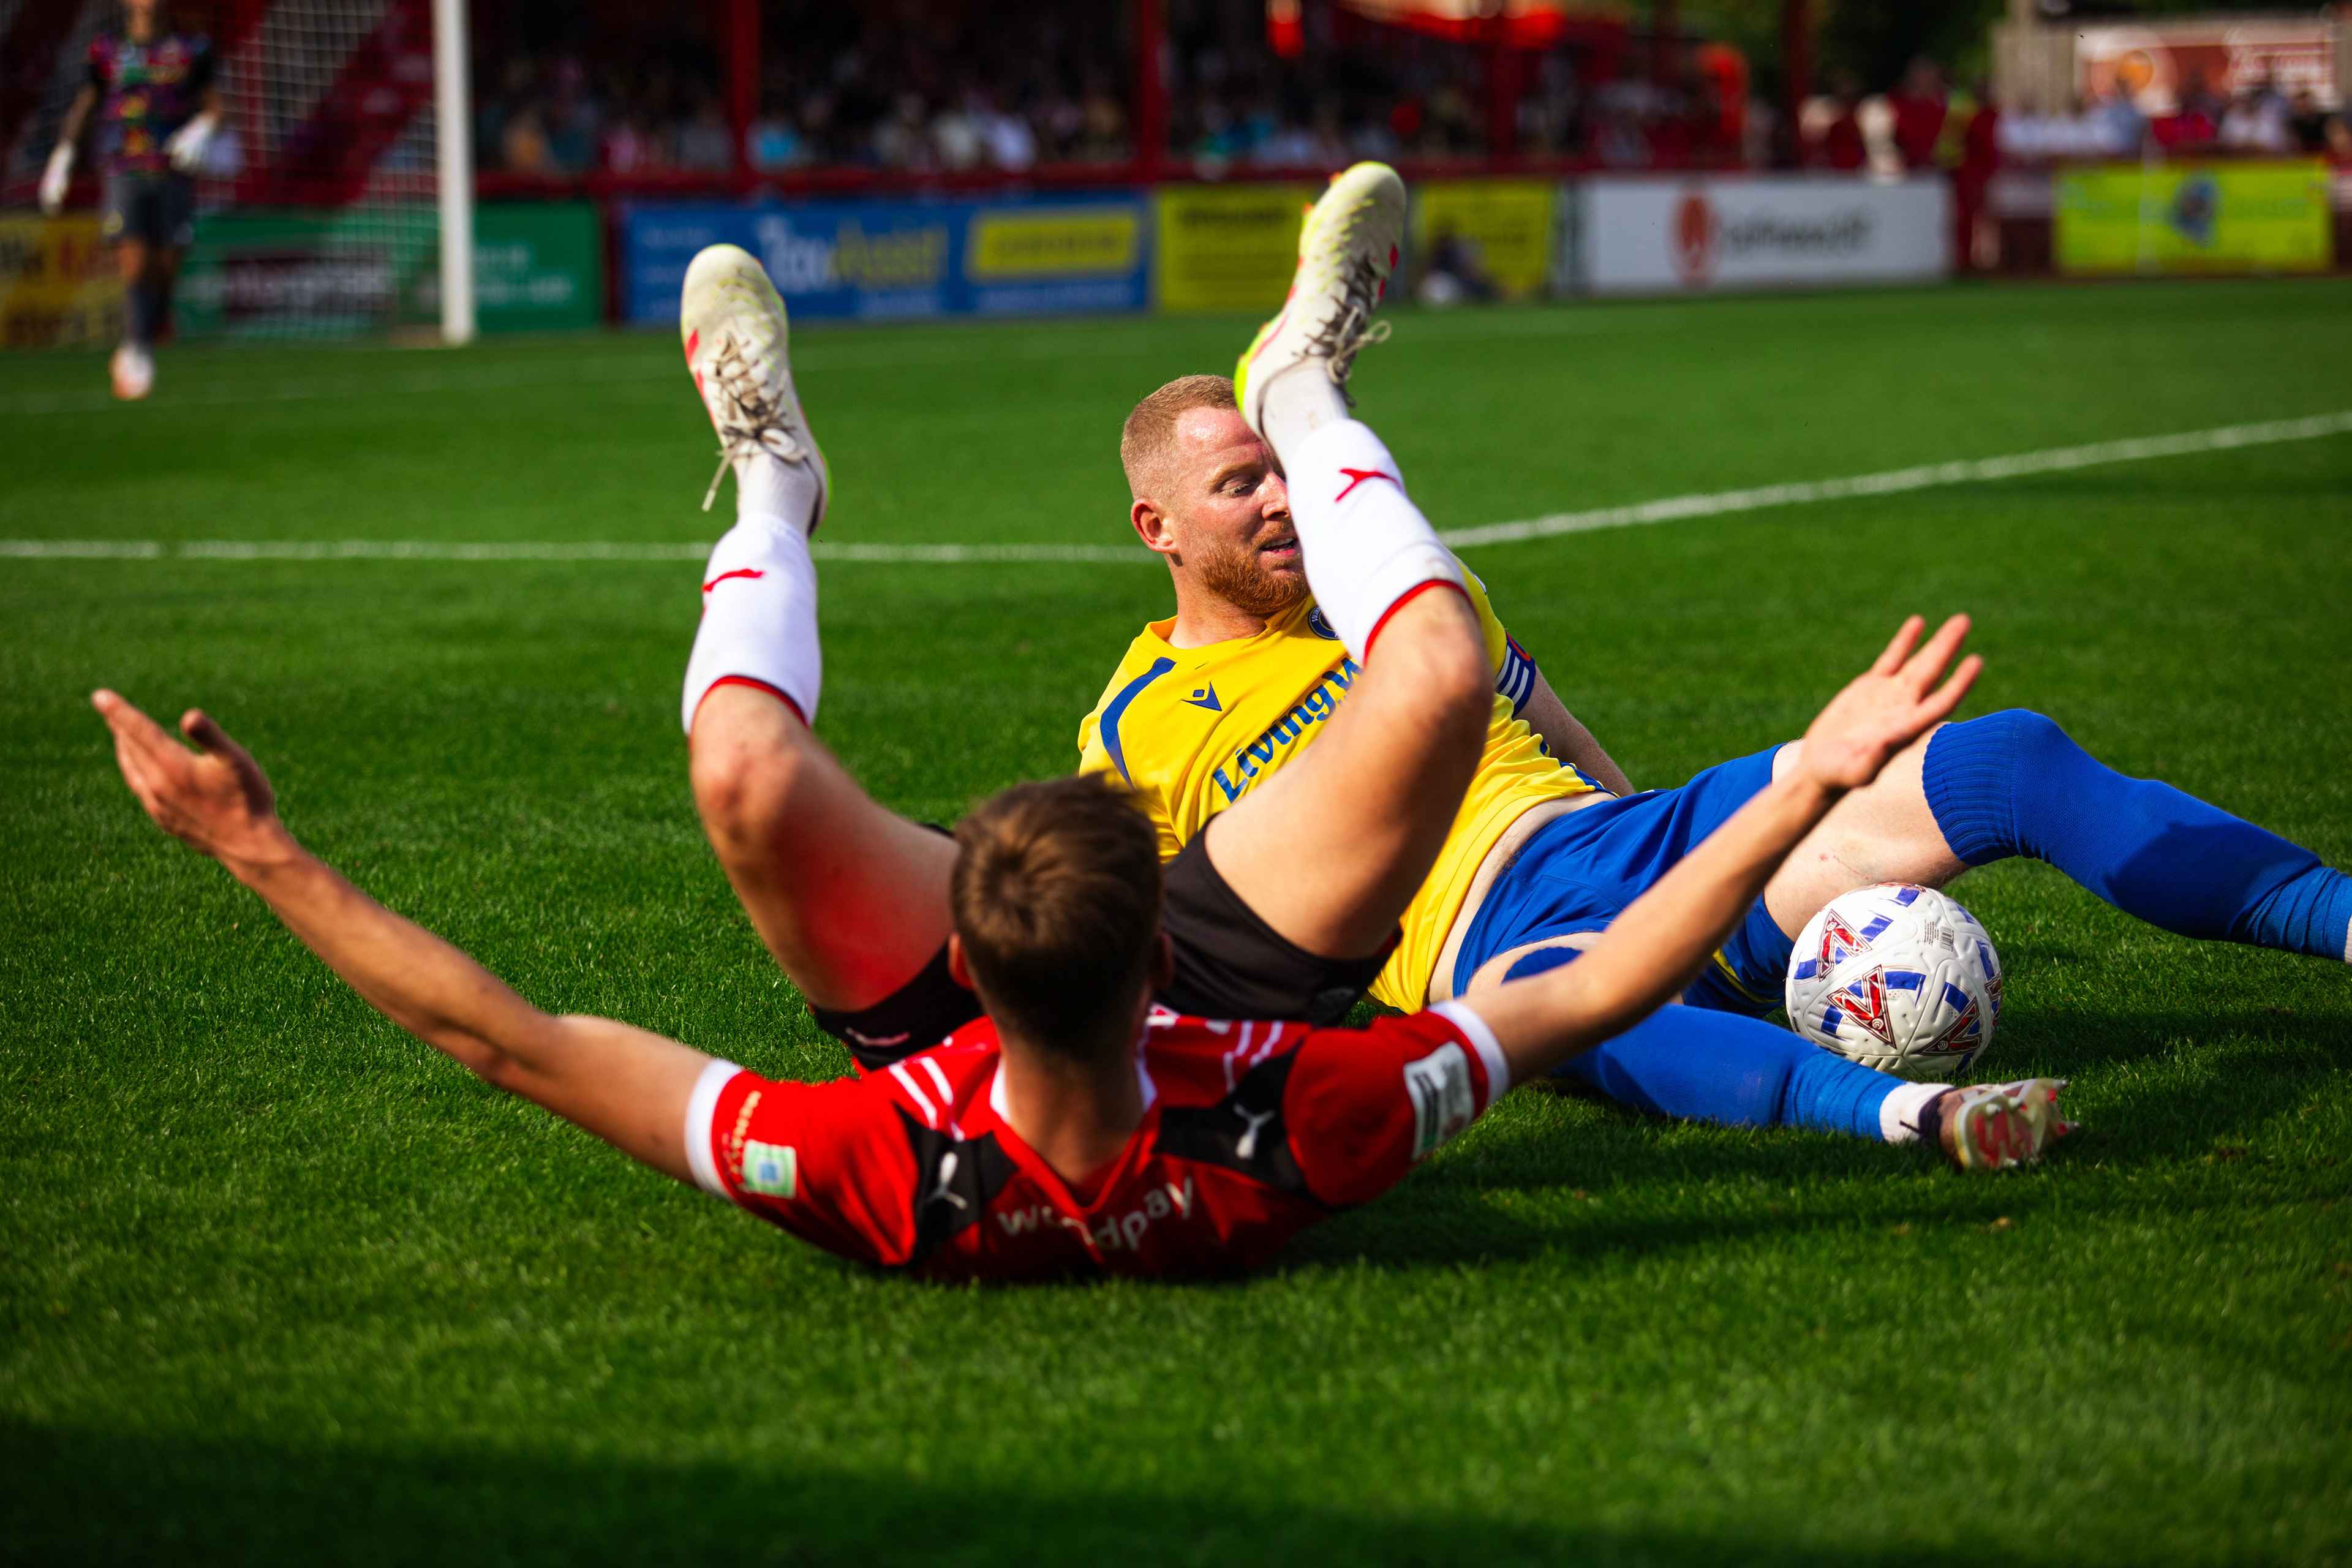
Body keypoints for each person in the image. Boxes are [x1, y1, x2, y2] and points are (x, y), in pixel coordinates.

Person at [91, 174, 2061, 1285]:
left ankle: (773, 481)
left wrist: (258, 848)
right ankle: (1305, 390)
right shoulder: (1298, 1112)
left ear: (976, 947)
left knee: (744, 776)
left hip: (1016, 1045)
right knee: (1445, 681)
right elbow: (1603, 982)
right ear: (1155, 953)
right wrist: (1803, 779)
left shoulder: (875, 1157)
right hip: (1216, 993)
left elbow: (509, 1040)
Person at [1076, 167, 2352, 1153]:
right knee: (1601, 1008)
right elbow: (1169, 959)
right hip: (1483, 943)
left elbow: (1557, 729)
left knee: (2006, 759)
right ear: (1158, 528)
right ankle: (1920, 1118)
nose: (1284, 502)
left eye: (1287, 472)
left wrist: (1676, 872)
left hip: (1627, 837)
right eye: (1241, 485)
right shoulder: (1136, 729)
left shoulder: (1393, 594)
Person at [39, 0, 221, 402]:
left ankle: (141, 342)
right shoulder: (107, 50)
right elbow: (87, 103)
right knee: (135, 260)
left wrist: (204, 127)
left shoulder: (191, 50)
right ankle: (136, 349)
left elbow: (217, 106)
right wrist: (62, 159)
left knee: (167, 264)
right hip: (123, 170)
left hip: (173, 172)